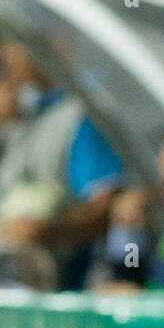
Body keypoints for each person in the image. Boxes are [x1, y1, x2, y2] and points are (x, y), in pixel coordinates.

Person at [0, 41, 124, 290]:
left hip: (58, 291)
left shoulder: (73, 117)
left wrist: (45, 230)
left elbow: (106, 208)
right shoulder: (18, 126)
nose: (8, 58)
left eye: (15, 48)